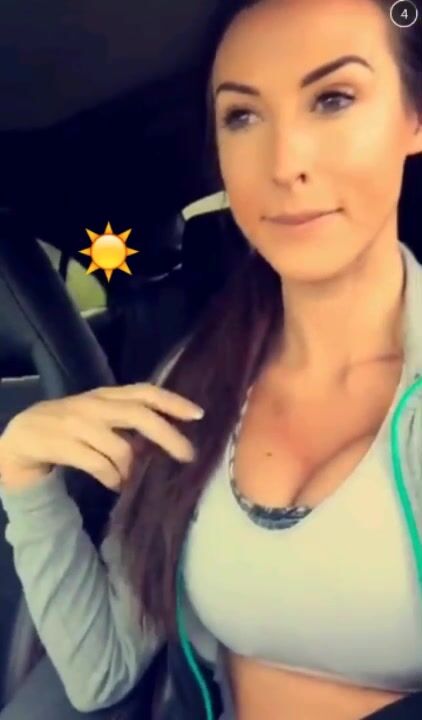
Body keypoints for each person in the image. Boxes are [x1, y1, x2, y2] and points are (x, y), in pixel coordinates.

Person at [1, 0, 422, 718]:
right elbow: (102, 669)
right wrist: (22, 473)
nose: (285, 163)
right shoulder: (193, 384)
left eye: (333, 99)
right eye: (242, 116)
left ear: (413, 119)